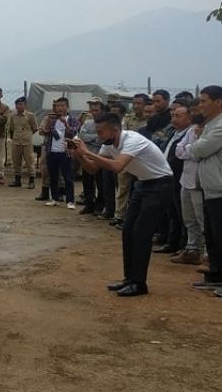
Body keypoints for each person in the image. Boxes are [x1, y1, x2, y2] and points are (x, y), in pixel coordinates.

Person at [71, 112, 173, 297]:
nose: (99, 136)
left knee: (141, 233)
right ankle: (130, 279)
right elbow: (94, 169)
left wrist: (87, 152)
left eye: (101, 132)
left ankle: (139, 283)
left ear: (115, 129)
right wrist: (79, 156)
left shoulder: (132, 139)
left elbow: (118, 166)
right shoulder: (109, 144)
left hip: (160, 184)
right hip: (143, 183)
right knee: (128, 231)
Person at [189, 85, 222, 296]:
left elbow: (199, 149)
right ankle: (216, 276)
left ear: (219, 102)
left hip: (220, 189)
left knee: (221, 235)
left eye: (204, 100)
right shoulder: (211, 124)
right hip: (211, 189)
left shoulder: (220, 125)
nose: (200, 105)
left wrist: (197, 144)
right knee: (211, 235)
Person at [153, 101, 192, 255]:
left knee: (182, 215)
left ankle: (183, 245)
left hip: (180, 178)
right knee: (171, 213)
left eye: (178, 116)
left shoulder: (189, 134)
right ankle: (171, 242)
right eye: (173, 115)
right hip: (167, 177)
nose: (174, 119)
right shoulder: (174, 133)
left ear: (189, 118)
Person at [173, 103, 207, 265]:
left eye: (197, 110)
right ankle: (192, 249)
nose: (195, 113)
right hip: (186, 180)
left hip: (201, 182)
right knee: (189, 218)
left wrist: (190, 149)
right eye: (193, 110)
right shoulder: (192, 129)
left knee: (204, 220)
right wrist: (191, 149)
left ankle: (208, 254)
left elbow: (200, 153)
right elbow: (178, 151)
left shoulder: (211, 130)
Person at [113, 94, 151, 228]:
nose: (135, 106)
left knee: (139, 189)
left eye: (139, 103)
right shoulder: (127, 119)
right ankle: (119, 216)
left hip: (143, 160)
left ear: (146, 104)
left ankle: (135, 217)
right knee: (123, 188)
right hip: (126, 158)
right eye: (134, 103)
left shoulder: (150, 120)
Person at [41, 97, 79, 209]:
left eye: (62, 106)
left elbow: (74, 132)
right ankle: (55, 198)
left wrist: (65, 124)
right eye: (58, 106)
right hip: (52, 151)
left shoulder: (72, 119)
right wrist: (46, 129)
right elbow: (47, 132)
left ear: (67, 107)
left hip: (65, 152)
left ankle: (70, 201)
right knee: (53, 176)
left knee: (68, 177)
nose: (60, 108)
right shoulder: (52, 119)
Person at [76, 98, 104, 214]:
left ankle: (100, 206)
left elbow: (102, 140)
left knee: (101, 183)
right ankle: (89, 204)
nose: (94, 112)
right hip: (87, 156)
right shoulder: (87, 123)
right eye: (92, 110)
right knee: (87, 182)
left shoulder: (105, 124)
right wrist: (95, 137)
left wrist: (90, 138)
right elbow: (82, 136)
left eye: (97, 110)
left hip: (101, 157)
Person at [6, 96, 37, 188]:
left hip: (27, 142)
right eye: (17, 105)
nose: (18, 107)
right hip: (16, 142)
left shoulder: (30, 116)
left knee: (29, 162)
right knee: (16, 161)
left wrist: (27, 135)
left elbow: (35, 128)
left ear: (25, 105)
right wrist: (14, 138)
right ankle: (17, 180)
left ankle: (31, 180)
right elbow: (11, 128)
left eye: (20, 104)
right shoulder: (13, 116)